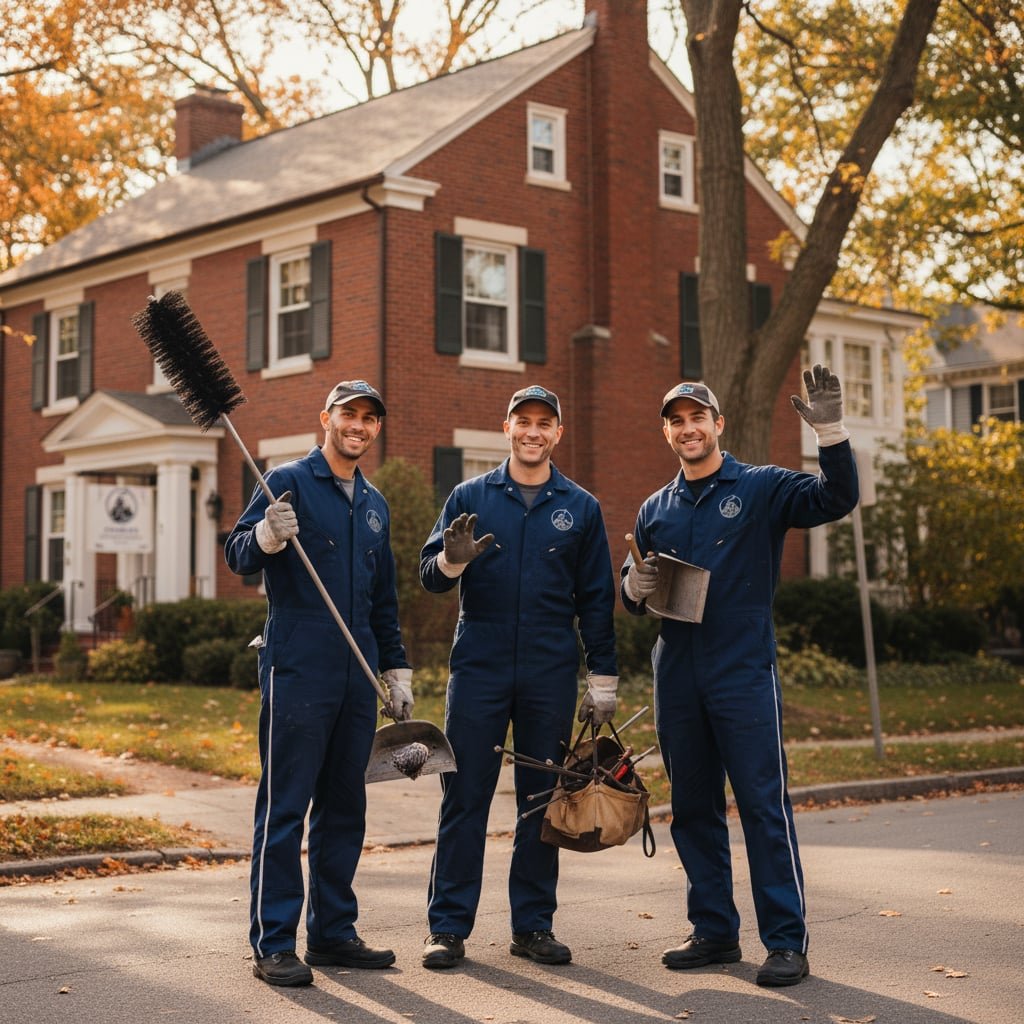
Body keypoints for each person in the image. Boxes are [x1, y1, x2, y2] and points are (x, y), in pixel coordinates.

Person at [622, 367, 858, 988]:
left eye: (697, 416)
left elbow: (836, 500)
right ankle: (714, 932)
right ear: (667, 433)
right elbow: (632, 589)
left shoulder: (762, 488)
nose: (687, 428)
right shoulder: (655, 508)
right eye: (675, 420)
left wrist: (830, 434)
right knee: (693, 809)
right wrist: (633, 587)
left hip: (743, 672)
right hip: (676, 674)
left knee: (761, 806)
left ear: (718, 424)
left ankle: (785, 941)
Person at [418, 384, 619, 969]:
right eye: (522, 421)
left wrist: (601, 675)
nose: (533, 432)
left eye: (544, 424)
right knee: (465, 794)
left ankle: (532, 926)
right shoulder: (470, 495)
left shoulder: (580, 507)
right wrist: (452, 559)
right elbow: (431, 577)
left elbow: (596, 599)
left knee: (541, 801)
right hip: (478, 667)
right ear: (506, 427)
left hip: (548, 671)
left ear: (558, 433)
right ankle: (448, 927)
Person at [225, 380, 414, 988]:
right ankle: (274, 941)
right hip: (298, 662)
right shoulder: (288, 481)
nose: (358, 425)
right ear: (325, 419)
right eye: (348, 414)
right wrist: (265, 535)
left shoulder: (376, 506)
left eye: (369, 417)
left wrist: (396, 667)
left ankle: (332, 933)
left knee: (344, 806)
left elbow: (383, 599)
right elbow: (237, 555)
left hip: (357, 670)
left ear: (377, 427)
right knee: (286, 805)